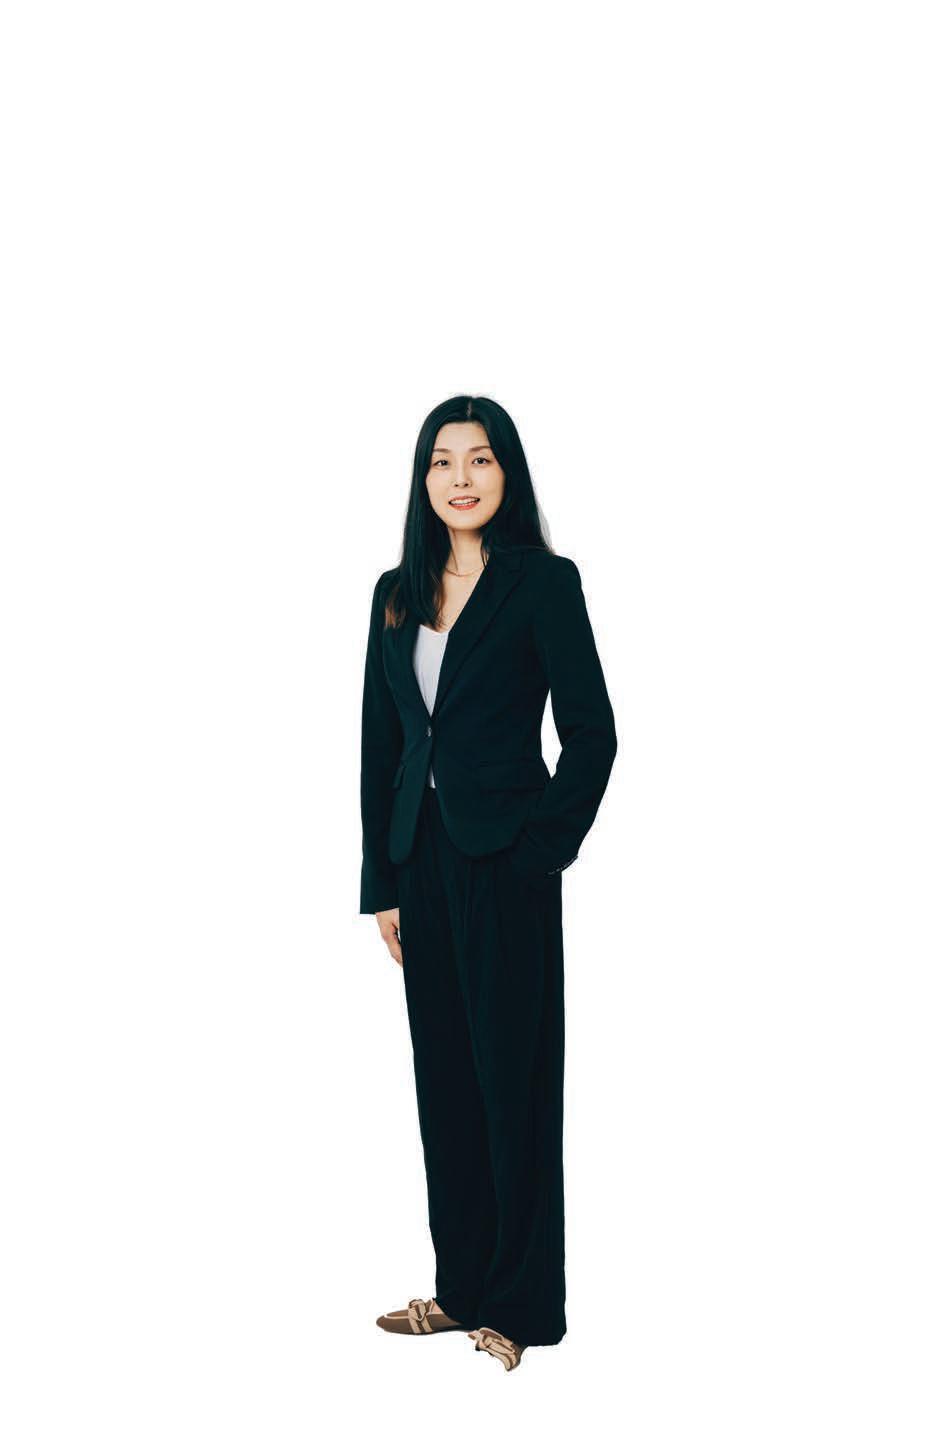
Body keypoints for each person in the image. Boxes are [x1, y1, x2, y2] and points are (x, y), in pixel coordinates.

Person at [359, 394, 617, 1371]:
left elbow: (591, 733)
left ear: (505, 471)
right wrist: (381, 880)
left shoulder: (541, 582)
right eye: (441, 460)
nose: (459, 477)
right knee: (447, 1083)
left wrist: (540, 847)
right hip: (419, 860)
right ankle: (462, 1285)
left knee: (515, 1082)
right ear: (422, 479)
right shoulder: (395, 591)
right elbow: (380, 743)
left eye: (479, 458)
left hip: (505, 859)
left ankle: (522, 1305)